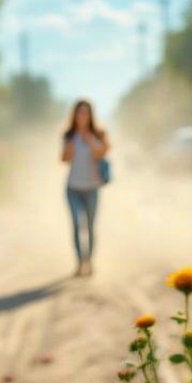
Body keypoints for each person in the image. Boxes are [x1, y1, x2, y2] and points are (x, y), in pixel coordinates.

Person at [61, 99, 109, 277]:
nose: (82, 116)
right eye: (79, 112)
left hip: (92, 189)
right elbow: (63, 159)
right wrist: (71, 146)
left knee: (90, 226)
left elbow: (102, 153)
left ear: (90, 115)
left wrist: (88, 139)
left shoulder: (99, 134)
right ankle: (79, 262)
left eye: (85, 112)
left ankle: (90, 261)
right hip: (72, 188)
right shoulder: (69, 135)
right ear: (75, 115)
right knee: (75, 224)